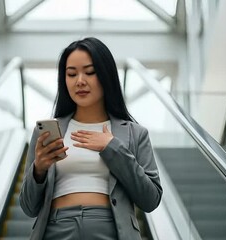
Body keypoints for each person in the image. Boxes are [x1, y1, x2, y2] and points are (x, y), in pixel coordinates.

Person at [19, 37, 162, 240]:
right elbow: (28, 207)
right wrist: (39, 170)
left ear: (105, 75)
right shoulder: (47, 132)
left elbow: (151, 199)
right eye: (71, 74)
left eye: (90, 72)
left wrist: (112, 148)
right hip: (56, 229)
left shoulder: (135, 133)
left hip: (112, 230)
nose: (80, 81)